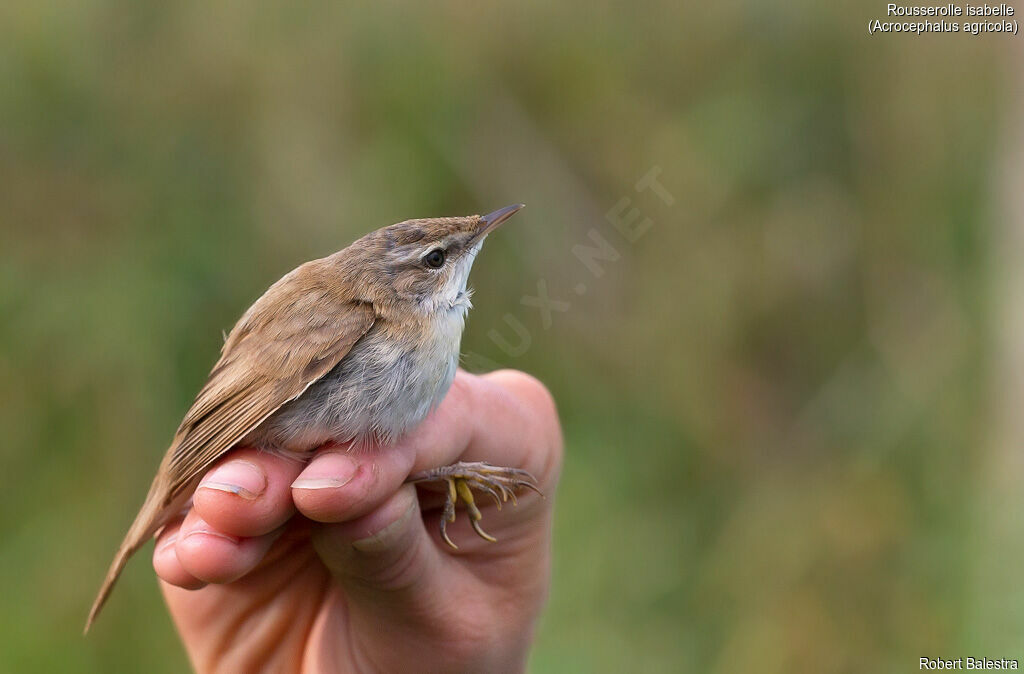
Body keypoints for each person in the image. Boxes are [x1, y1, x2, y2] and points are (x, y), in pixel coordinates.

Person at [153, 369, 562, 672]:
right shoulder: (356, 314)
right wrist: (178, 477)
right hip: (268, 468)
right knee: (343, 483)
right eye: (435, 261)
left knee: (352, 484)